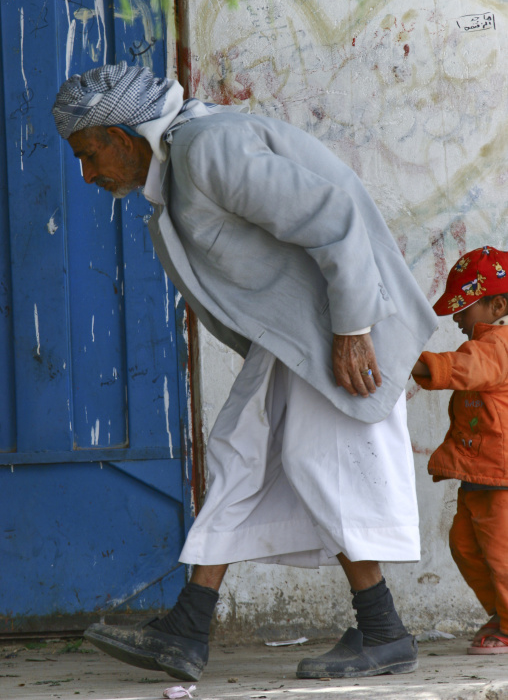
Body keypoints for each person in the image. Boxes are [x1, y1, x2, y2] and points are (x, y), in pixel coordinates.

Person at [52, 62, 437, 681]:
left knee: (319, 466)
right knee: (243, 454)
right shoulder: (181, 168)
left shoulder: (209, 149)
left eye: (88, 154)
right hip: (300, 336)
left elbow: (331, 214)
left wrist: (352, 329)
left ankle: (382, 631)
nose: (88, 173)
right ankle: (189, 628)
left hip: (341, 328)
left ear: (123, 138)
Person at [412, 245, 508, 655]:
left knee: (502, 558)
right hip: (479, 475)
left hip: (501, 479)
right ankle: (502, 616)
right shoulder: (488, 343)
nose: (457, 318)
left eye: (465, 307)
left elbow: (463, 367)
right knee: (465, 546)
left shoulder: (498, 346)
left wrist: (405, 361)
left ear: (497, 304)